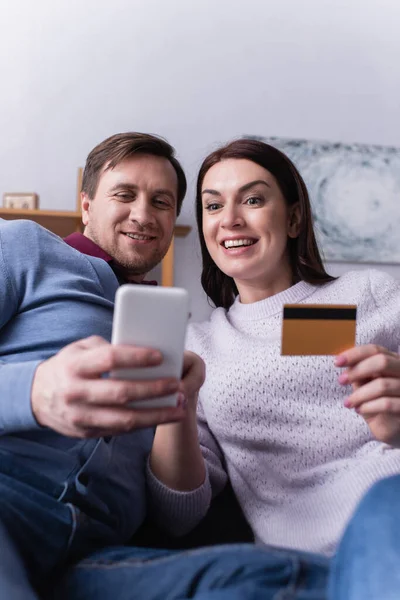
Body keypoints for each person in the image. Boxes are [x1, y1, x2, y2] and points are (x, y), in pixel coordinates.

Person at [0, 132, 331, 600]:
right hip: (9, 505)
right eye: (124, 194)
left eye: (161, 202)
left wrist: (180, 407)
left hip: (97, 555)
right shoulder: (24, 247)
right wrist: (32, 392)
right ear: (87, 204)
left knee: (276, 578)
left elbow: (178, 510)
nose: (143, 214)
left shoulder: (183, 336)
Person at [148, 138, 400, 599]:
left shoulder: (368, 294)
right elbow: (179, 515)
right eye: (212, 205)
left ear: (294, 217)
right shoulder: (199, 346)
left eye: (252, 199)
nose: (230, 220)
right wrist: (176, 409)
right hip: (303, 566)